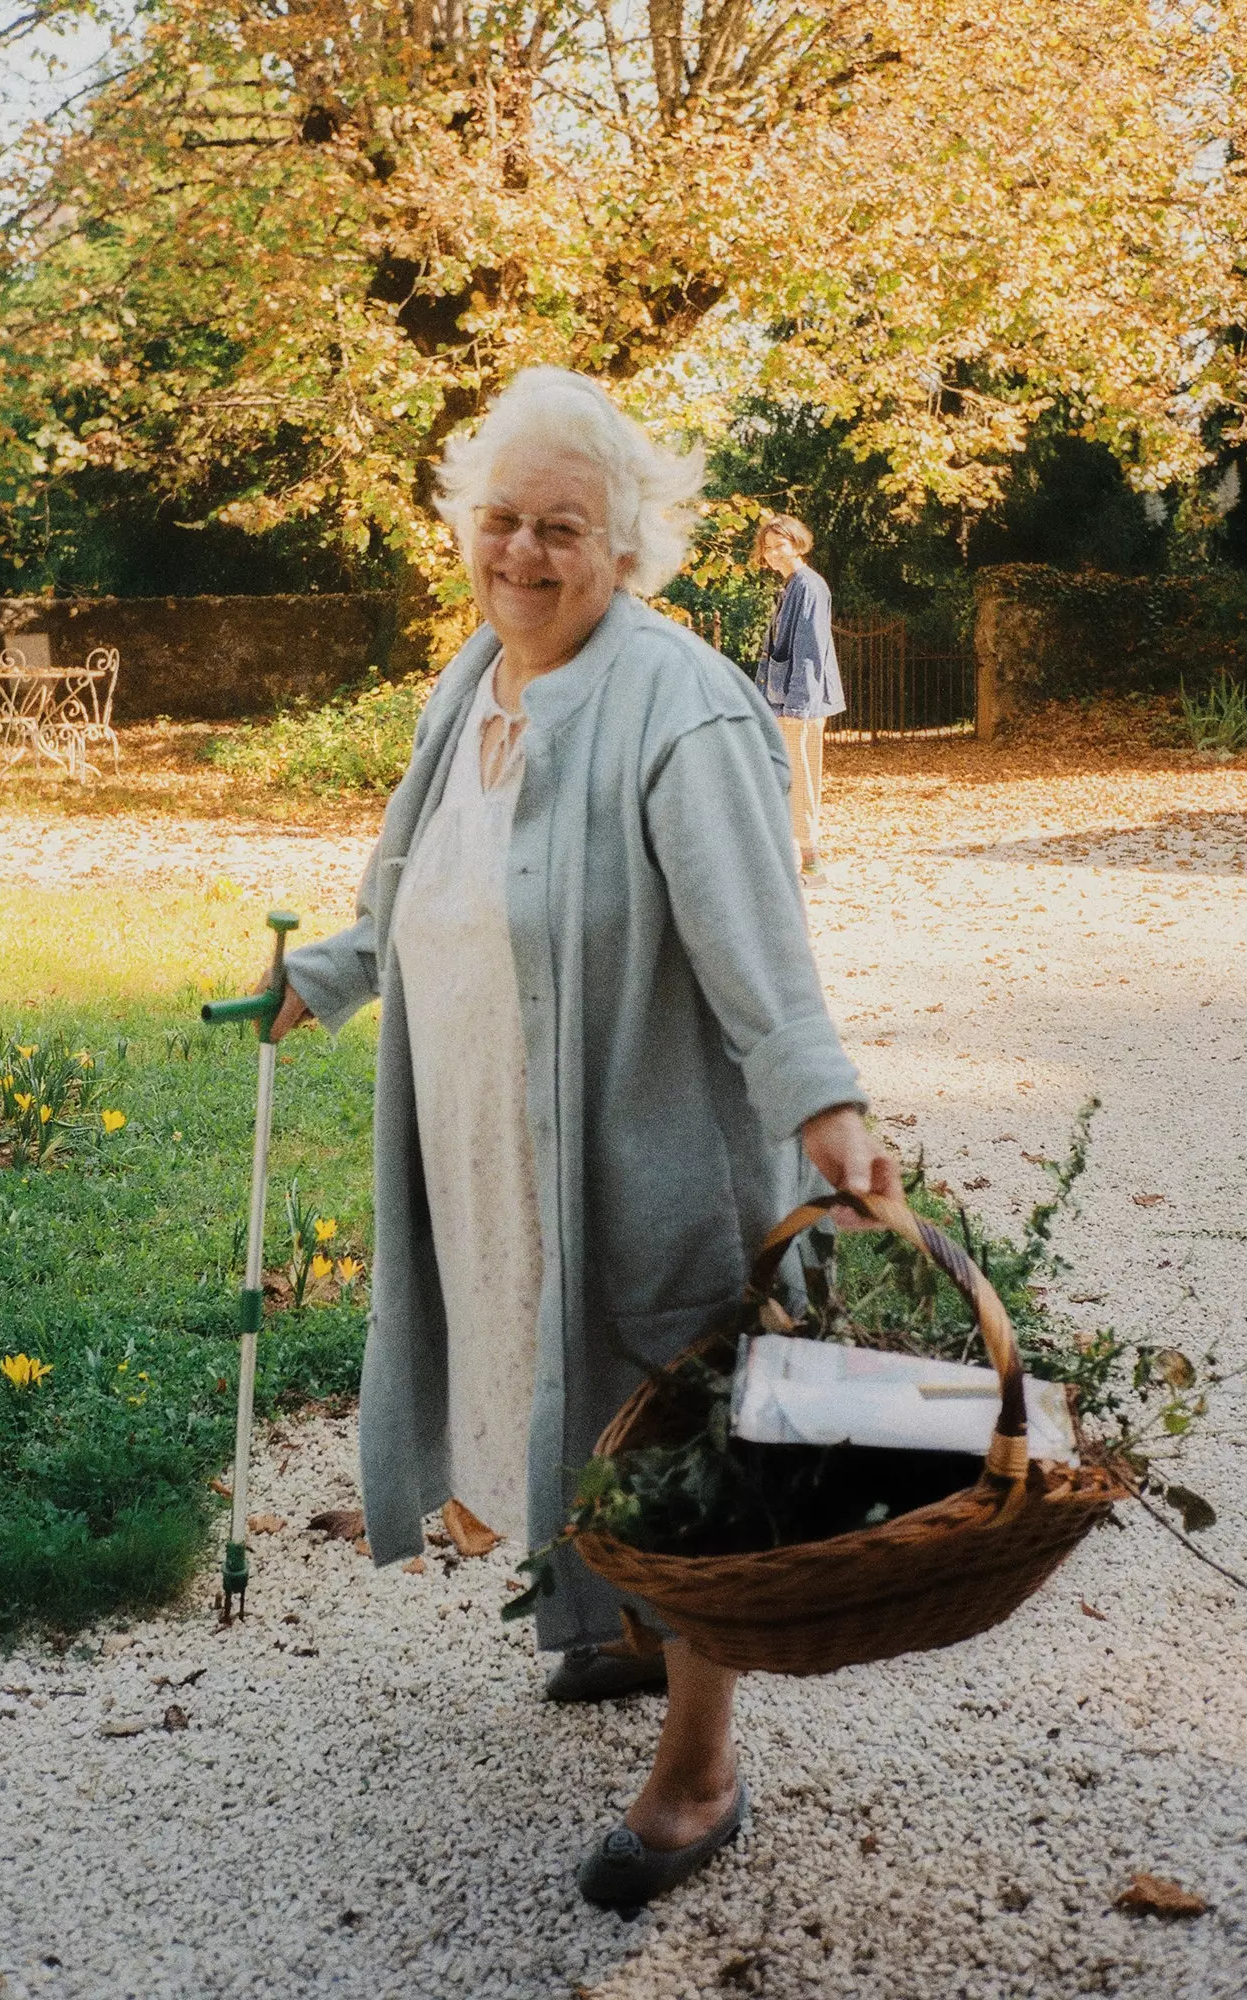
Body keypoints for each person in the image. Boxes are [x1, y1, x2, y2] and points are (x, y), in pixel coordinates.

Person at [254, 368, 899, 1908]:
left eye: (563, 528)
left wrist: (823, 1101)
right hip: (487, 1134)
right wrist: (325, 976)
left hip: (628, 1134)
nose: (523, 554)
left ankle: (701, 1764)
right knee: (549, 1376)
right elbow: (412, 879)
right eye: (500, 520)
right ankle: (612, 1624)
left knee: (675, 1413)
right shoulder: (470, 676)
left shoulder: (682, 704)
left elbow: (761, 949)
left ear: (629, 546)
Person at [754, 514, 845, 875]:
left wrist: (796, 705)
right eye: (768, 548)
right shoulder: (791, 585)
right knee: (785, 776)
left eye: (781, 546)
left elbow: (809, 649)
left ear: (797, 544)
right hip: (785, 699)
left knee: (801, 778)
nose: (774, 554)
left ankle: (812, 863)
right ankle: (795, 857)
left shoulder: (808, 586)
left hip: (799, 703)